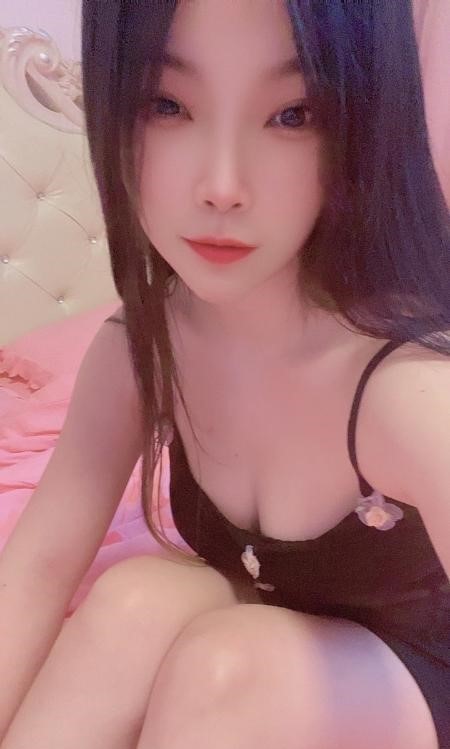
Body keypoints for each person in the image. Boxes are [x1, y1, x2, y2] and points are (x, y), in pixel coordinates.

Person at [1, 1, 449, 747]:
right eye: (166, 105)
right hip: (276, 631)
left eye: (294, 114)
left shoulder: (410, 391)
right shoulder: (142, 348)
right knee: (136, 599)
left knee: (227, 668)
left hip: (420, 678)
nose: (222, 185)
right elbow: (37, 568)